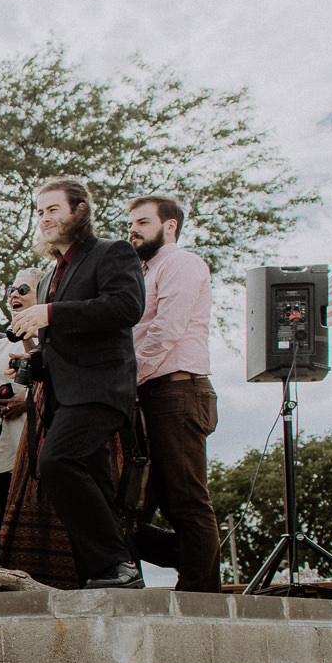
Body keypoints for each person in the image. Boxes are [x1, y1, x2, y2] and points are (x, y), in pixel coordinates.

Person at [10, 177, 147, 590]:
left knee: (57, 462)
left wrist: (50, 313)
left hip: (100, 390)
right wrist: (34, 360)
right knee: (98, 486)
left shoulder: (112, 252)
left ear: (80, 211)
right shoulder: (54, 272)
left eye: (53, 209)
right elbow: (62, 334)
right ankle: (110, 573)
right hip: (62, 395)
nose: (45, 218)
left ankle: (117, 564)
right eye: (39, 212)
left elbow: (126, 306)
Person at [127, 194, 221, 593]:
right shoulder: (143, 273)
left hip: (178, 391)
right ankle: (193, 566)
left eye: (143, 222)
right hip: (150, 394)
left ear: (170, 226)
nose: (133, 229)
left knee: (186, 500)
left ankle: (202, 596)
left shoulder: (181, 264)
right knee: (137, 509)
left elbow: (167, 329)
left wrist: (126, 379)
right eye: (130, 223)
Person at [0, 270, 44, 513]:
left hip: (40, 448)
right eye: (11, 291)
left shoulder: (51, 340)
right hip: (5, 450)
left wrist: (30, 400)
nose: (14, 296)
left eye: (23, 290)